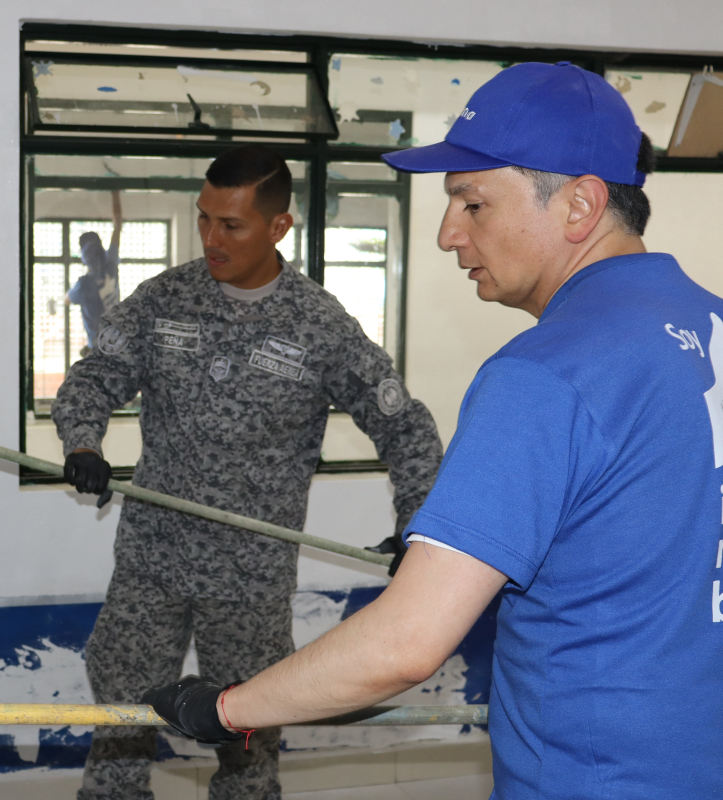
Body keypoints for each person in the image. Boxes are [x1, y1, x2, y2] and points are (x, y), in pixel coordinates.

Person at [143, 62, 723, 799]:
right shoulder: (712, 326)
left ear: (581, 204)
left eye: (472, 203)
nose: (449, 234)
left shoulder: (547, 373)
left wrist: (225, 708)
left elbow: (406, 646)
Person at [53, 144, 443, 800]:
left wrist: (418, 525)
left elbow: (407, 429)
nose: (210, 237)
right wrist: (84, 444)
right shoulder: (164, 300)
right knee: (119, 723)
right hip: (151, 564)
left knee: (249, 747)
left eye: (229, 224)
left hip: (251, 582)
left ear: (278, 227)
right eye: (203, 218)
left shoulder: (319, 327)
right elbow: (90, 381)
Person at [67, 191, 123, 356]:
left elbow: (67, 299)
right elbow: (118, 227)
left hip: (98, 344)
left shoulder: (84, 284)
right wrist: (115, 194)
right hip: (117, 339)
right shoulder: (111, 264)